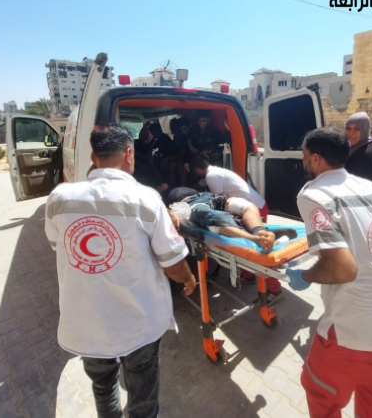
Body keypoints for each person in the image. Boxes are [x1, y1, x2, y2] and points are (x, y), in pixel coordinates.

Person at [45, 123, 196, 418]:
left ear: (93, 157)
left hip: (86, 322)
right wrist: (188, 279)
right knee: (142, 395)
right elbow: (172, 262)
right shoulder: (146, 198)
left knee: (103, 387)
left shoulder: (60, 198)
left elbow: (57, 244)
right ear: (129, 154)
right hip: (137, 324)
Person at [286, 127, 372, 418]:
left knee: (320, 393)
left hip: (355, 334)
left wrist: (305, 276)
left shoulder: (314, 194)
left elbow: (343, 268)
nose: (303, 161)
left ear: (316, 159)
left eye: (304, 156)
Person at [189, 155, 283, 303]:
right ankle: (248, 275)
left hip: (252, 209)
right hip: (255, 205)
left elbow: (217, 203)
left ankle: (275, 288)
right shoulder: (217, 172)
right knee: (245, 247)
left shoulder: (211, 177)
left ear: (197, 170)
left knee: (257, 249)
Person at [167, 187, 295, 251]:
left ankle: (259, 233)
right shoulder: (167, 201)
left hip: (206, 196)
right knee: (208, 215)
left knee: (244, 206)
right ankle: (256, 238)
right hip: (191, 202)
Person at [345, 112, 372, 187]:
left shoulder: (365, 156)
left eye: (357, 129)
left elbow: (352, 186)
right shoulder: (361, 146)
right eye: (348, 128)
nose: (351, 133)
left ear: (364, 130)